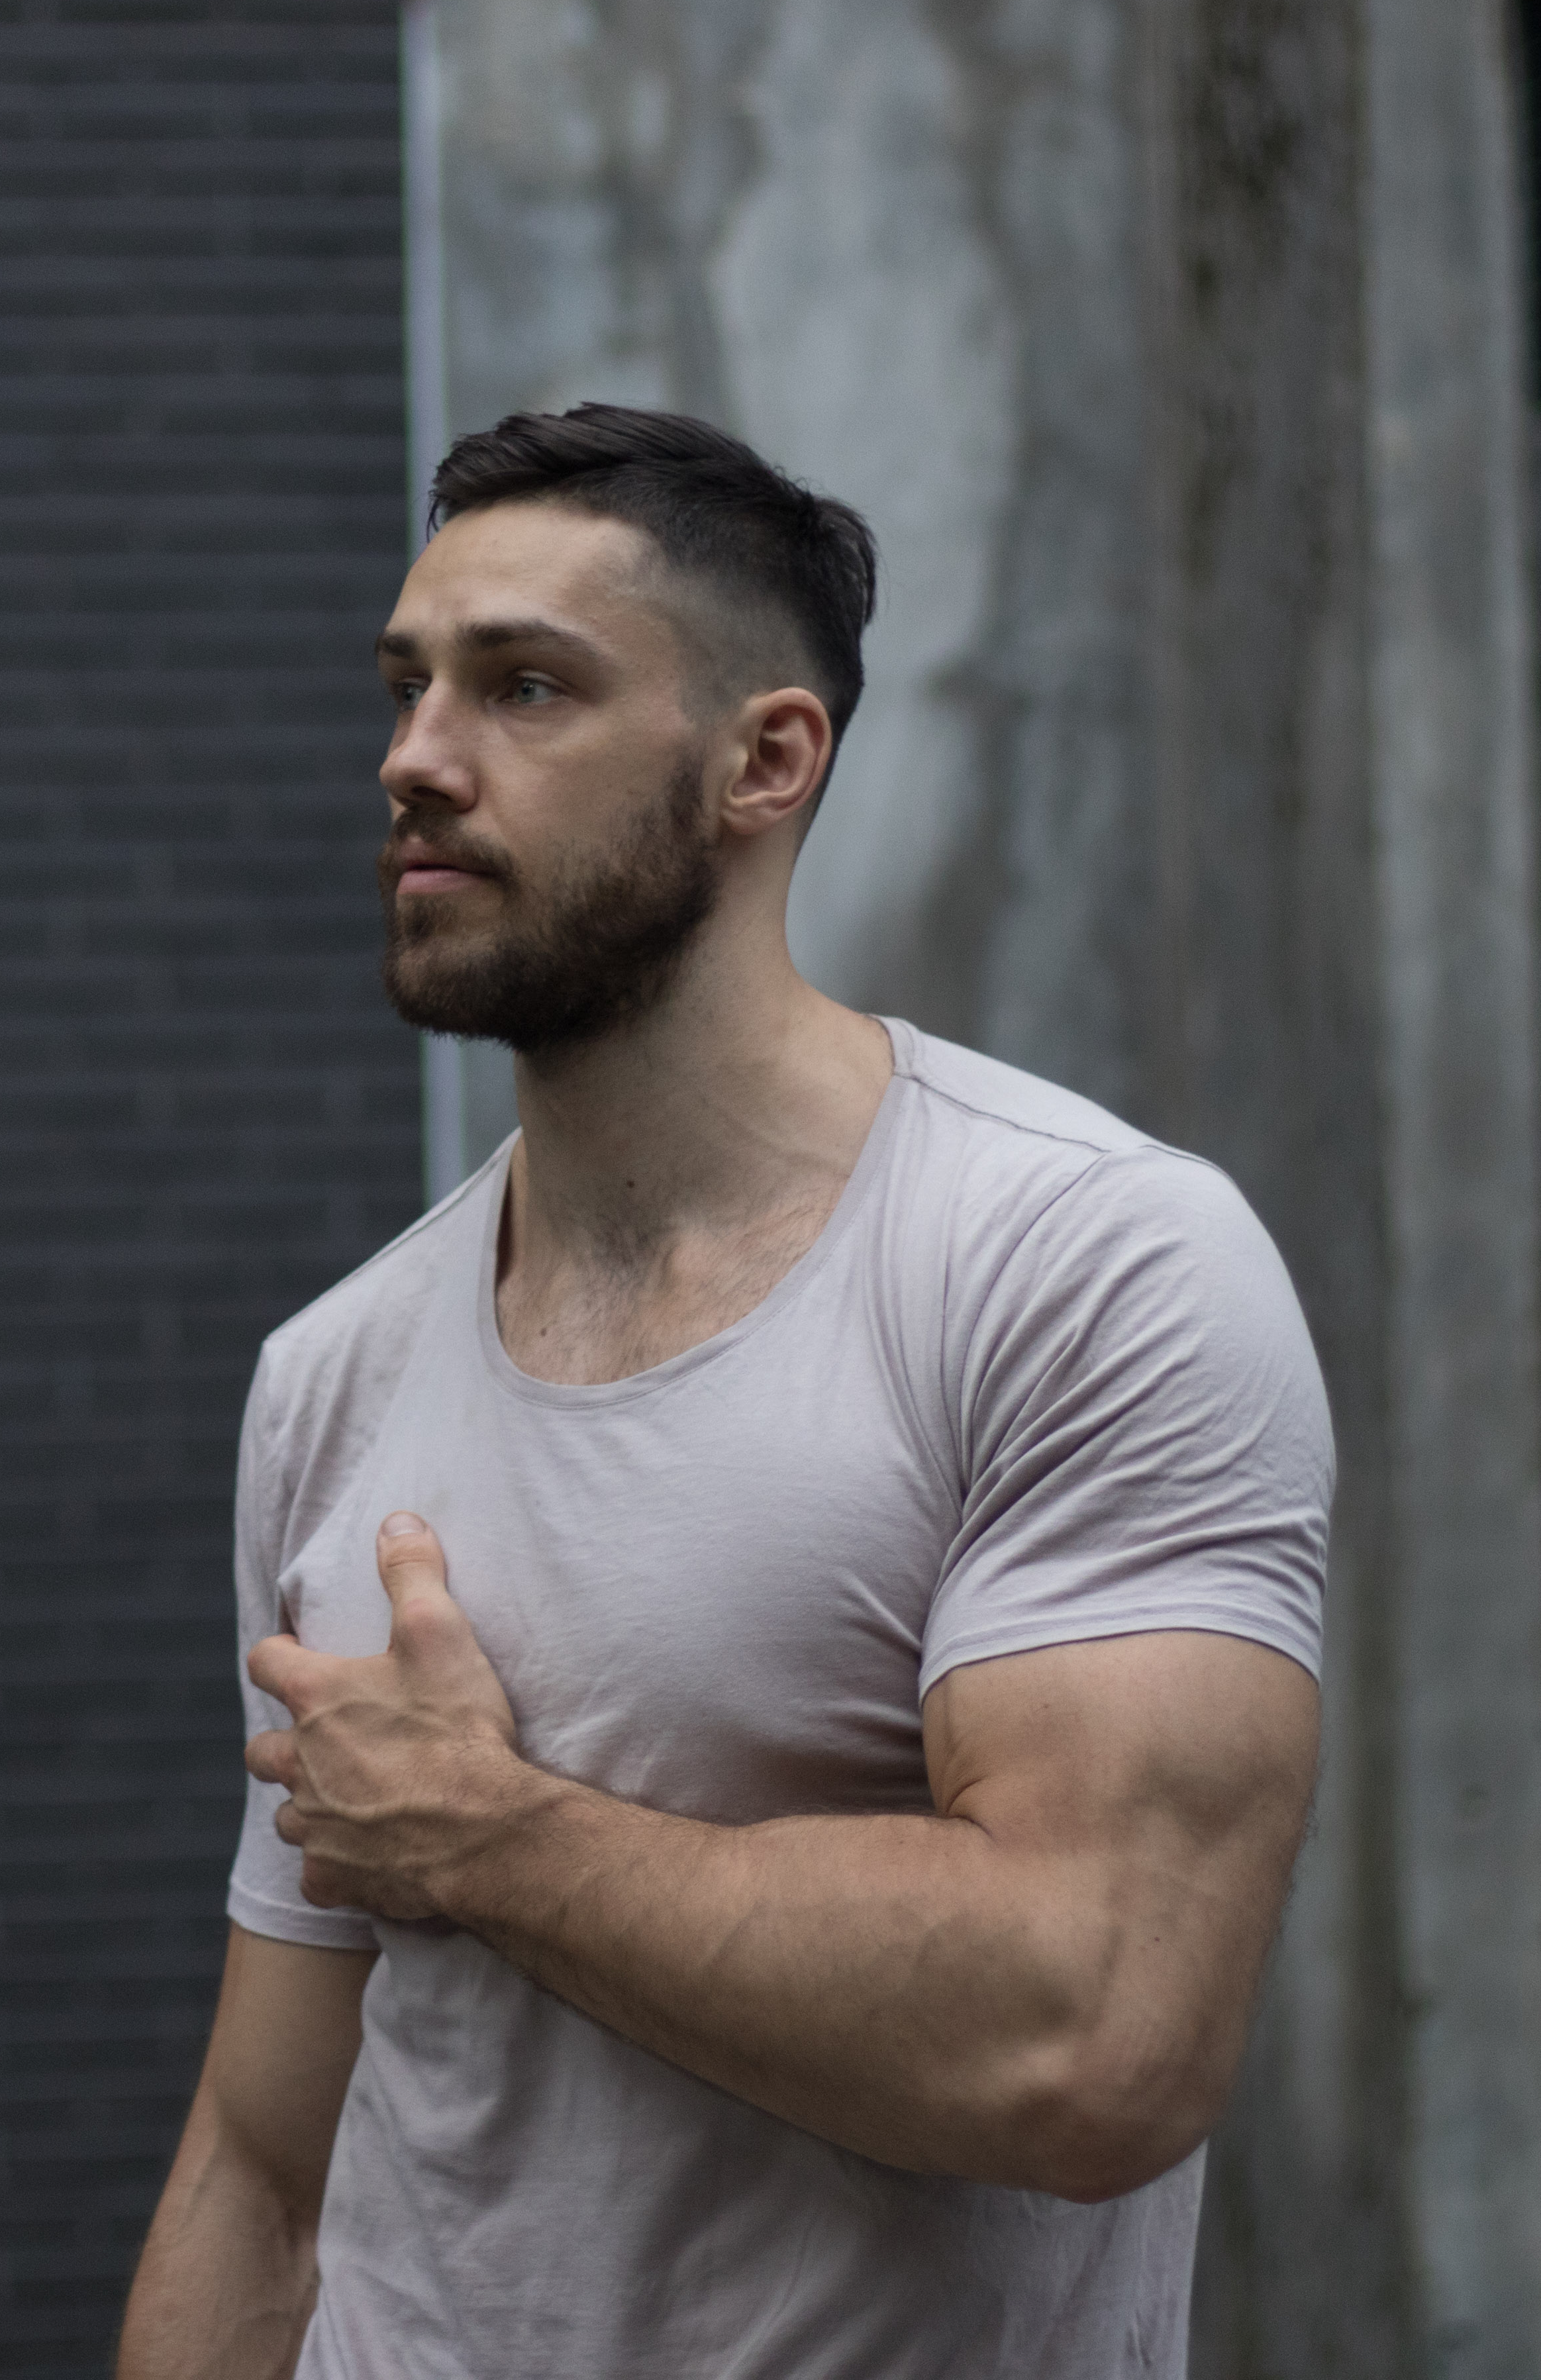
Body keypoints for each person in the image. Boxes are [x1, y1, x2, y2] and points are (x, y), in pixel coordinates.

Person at [113, 407, 1334, 2380]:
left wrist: (485, 1837)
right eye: (409, 687)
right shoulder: (332, 1370)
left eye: (525, 687)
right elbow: (265, 2171)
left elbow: (1099, 2037)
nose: (416, 759)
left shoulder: (1080, 1266)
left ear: (766, 760)